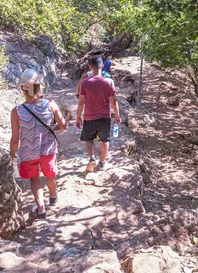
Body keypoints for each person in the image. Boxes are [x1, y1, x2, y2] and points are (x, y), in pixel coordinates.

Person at [10, 69, 66, 218]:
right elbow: (63, 125)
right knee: (50, 174)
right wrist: (53, 128)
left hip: (28, 152)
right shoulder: (51, 105)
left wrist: (12, 153)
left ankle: (41, 210)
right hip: (47, 149)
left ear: (22, 89)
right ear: (39, 87)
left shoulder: (16, 111)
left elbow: (15, 138)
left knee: (34, 178)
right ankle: (53, 198)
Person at [76, 55, 121, 172]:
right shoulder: (109, 82)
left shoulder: (85, 83)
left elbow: (81, 102)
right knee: (104, 140)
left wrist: (78, 117)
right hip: (104, 117)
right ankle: (101, 163)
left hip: (89, 117)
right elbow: (113, 101)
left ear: (90, 67)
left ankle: (92, 158)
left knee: (88, 139)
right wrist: (117, 115)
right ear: (102, 66)